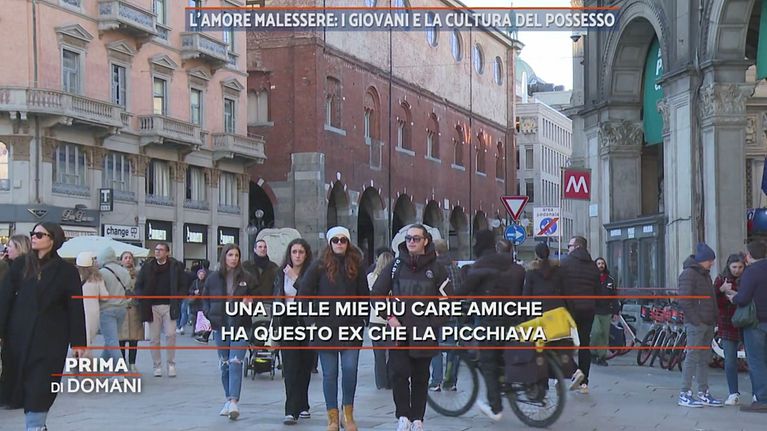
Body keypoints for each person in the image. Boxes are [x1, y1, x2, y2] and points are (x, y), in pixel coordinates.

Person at [0, 222, 86, 431]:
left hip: (51, 339)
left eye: (39, 234)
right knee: (20, 383)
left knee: (42, 385)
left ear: (53, 239)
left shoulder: (67, 271)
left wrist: (79, 342)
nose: (34, 237)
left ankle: (35, 425)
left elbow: (75, 307)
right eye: (33, 233)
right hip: (18, 337)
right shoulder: (20, 265)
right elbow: (4, 299)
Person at [372, 224, 453, 431]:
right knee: (398, 374)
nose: (411, 242)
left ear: (425, 241)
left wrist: (432, 322)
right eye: (408, 238)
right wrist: (390, 317)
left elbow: (448, 301)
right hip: (399, 331)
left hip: (424, 332)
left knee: (421, 377)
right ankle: (403, 416)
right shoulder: (396, 265)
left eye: (416, 238)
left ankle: (417, 419)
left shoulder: (437, 269)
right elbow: (377, 294)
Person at [296, 226, 368, 431]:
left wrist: (362, 319)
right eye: (335, 240)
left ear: (348, 242)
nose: (339, 243)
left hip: (350, 328)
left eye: (343, 240)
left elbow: (364, 295)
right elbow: (303, 295)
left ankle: (348, 414)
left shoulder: (357, 265)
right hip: (324, 328)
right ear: (329, 243)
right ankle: (332, 417)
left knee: (350, 370)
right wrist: (311, 322)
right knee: (329, 374)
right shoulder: (318, 266)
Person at [458, 230, 524, 421]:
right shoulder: (509, 263)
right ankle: (507, 383)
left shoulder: (481, 264)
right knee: (502, 355)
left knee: (487, 360)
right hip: (514, 316)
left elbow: (463, 290)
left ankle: (495, 407)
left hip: (492, 318)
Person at [202, 244, 260, 421]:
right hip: (220, 324)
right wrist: (209, 315)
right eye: (230, 255)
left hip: (241, 323)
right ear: (224, 257)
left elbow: (257, 298)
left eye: (236, 255)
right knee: (224, 363)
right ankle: (228, 399)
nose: (234, 258)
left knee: (235, 361)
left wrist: (250, 303)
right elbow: (205, 299)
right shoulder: (213, 278)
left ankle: (234, 401)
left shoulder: (247, 278)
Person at [273, 238, 314, 424]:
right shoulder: (281, 273)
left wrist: (296, 278)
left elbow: (310, 294)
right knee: (290, 367)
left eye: (301, 252)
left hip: (306, 322)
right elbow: (276, 296)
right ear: (289, 254)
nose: (297, 256)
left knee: (305, 366)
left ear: (306, 255)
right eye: (294, 252)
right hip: (287, 322)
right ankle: (290, 410)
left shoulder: (311, 273)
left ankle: (303, 404)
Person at [677, 243, 723, 408]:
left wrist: (714, 317)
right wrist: (696, 320)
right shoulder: (689, 274)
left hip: (708, 322)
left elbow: (711, 298)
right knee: (692, 357)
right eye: (710, 260)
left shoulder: (705, 275)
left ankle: (703, 392)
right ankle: (685, 393)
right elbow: (684, 300)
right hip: (697, 324)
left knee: (704, 359)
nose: (712, 263)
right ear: (702, 260)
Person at [135, 242, 186, 378]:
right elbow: (139, 284)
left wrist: (178, 297)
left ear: (167, 252)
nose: (157, 252)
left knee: (171, 335)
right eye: (156, 249)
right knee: (154, 338)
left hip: (170, 305)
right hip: (152, 306)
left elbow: (183, 284)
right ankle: (157, 366)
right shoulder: (148, 266)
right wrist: (141, 297)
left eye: (161, 250)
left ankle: (171, 364)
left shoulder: (175, 266)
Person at [560, 235, 600, 394]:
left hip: (570, 310)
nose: (568, 249)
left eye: (569, 246)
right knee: (584, 344)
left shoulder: (565, 263)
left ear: (576, 247)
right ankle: (584, 383)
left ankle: (575, 371)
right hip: (588, 310)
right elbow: (598, 290)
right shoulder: (593, 266)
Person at [730, 240, 767, 412]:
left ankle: (762, 399)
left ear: (748, 256)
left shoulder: (751, 272)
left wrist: (733, 297)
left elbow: (744, 298)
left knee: (756, 361)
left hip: (756, 322)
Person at [714, 254, 746, 406]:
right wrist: (721, 290)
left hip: (747, 322)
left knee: (754, 359)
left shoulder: (748, 278)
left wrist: (736, 295)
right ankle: (733, 393)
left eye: (740, 267)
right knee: (730, 360)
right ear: (728, 266)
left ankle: (758, 394)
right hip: (728, 323)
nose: (737, 270)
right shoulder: (721, 279)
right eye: (734, 267)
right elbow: (714, 301)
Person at [96, 247, 130, 364]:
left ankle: (121, 370)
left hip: (106, 310)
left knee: (111, 342)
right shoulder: (124, 271)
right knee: (111, 341)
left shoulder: (102, 273)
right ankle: (99, 367)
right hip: (122, 309)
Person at [368, 250, 395, 391]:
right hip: (393, 319)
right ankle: (390, 380)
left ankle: (381, 382)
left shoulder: (370, 277)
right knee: (392, 353)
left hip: (375, 319)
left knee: (378, 354)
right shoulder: (395, 278)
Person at [76, 251, 108, 355]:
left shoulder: (73, 277)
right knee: (89, 339)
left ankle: (77, 358)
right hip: (92, 312)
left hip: (76, 311)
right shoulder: (97, 278)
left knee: (78, 338)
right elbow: (104, 296)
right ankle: (85, 359)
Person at [119, 251, 143, 373]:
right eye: (125, 258)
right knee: (121, 338)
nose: (128, 259)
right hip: (121, 308)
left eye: (130, 257)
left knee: (134, 338)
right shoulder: (117, 274)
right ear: (121, 260)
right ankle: (122, 362)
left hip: (134, 308)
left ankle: (132, 363)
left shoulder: (138, 274)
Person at [590, 257, 618, 367]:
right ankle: (592, 353)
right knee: (596, 331)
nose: (601, 265)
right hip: (594, 310)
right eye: (598, 263)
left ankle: (601, 356)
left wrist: (616, 311)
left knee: (605, 335)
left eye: (602, 263)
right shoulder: (592, 279)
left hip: (607, 310)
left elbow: (614, 296)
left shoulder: (610, 280)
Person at [190, 268, 209, 343]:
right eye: (200, 274)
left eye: (202, 274)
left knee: (202, 317)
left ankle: (201, 331)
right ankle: (194, 330)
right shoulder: (195, 282)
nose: (201, 276)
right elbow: (190, 290)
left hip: (203, 302)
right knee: (194, 317)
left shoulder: (207, 282)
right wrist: (194, 292)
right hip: (196, 302)